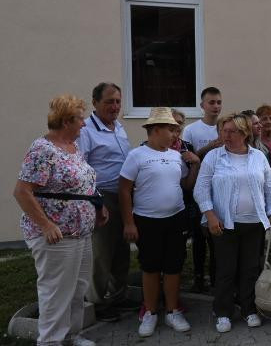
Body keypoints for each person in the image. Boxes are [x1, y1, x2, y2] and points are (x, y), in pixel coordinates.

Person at [13, 95, 108, 346]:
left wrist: (98, 204)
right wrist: (46, 225)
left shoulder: (73, 148)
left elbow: (81, 183)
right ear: (66, 121)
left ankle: (70, 336)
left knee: (77, 289)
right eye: (80, 119)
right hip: (58, 236)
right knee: (56, 293)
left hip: (81, 232)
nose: (84, 124)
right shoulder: (43, 150)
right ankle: (50, 341)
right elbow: (22, 192)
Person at [194, 113, 271, 333]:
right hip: (224, 224)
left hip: (254, 223)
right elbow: (201, 189)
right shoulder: (213, 157)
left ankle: (248, 309)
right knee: (226, 269)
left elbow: (270, 187)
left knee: (250, 269)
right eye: (224, 131)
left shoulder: (258, 156)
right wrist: (210, 215)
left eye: (232, 131)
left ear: (244, 133)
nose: (227, 135)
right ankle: (223, 312)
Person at [119, 107, 199, 337]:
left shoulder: (176, 156)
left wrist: (195, 165)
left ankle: (173, 311)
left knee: (174, 266)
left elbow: (186, 185)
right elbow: (124, 190)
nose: (175, 134)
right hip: (147, 220)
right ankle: (151, 312)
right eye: (171, 130)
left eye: (176, 130)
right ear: (155, 130)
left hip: (176, 219)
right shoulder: (137, 155)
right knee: (151, 267)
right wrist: (129, 223)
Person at [77, 82, 134, 321]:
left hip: (123, 196)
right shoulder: (86, 130)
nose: (115, 106)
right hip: (101, 196)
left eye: (118, 101)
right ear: (95, 102)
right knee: (101, 252)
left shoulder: (118, 127)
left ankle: (118, 296)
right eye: (109, 101)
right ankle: (97, 303)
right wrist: (95, 202)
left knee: (122, 249)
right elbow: (80, 168)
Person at [170, 109, 213, 293]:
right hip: (163, 202)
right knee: (172, 243)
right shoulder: (151, 146)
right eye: (173, 122)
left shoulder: (187, 146)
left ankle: (198, 277)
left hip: (188, 199)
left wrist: (196, 162)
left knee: (197, 238)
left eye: (180, 123)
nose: (177, 126)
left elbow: (196, 173)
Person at [184, 87, 223, 160]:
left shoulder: (226, 129)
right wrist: (208, 148)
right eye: (211, 103)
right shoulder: (190, 129)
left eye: (219, 103)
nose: (216, 106)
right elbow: (187, 159)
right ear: (202, 105)